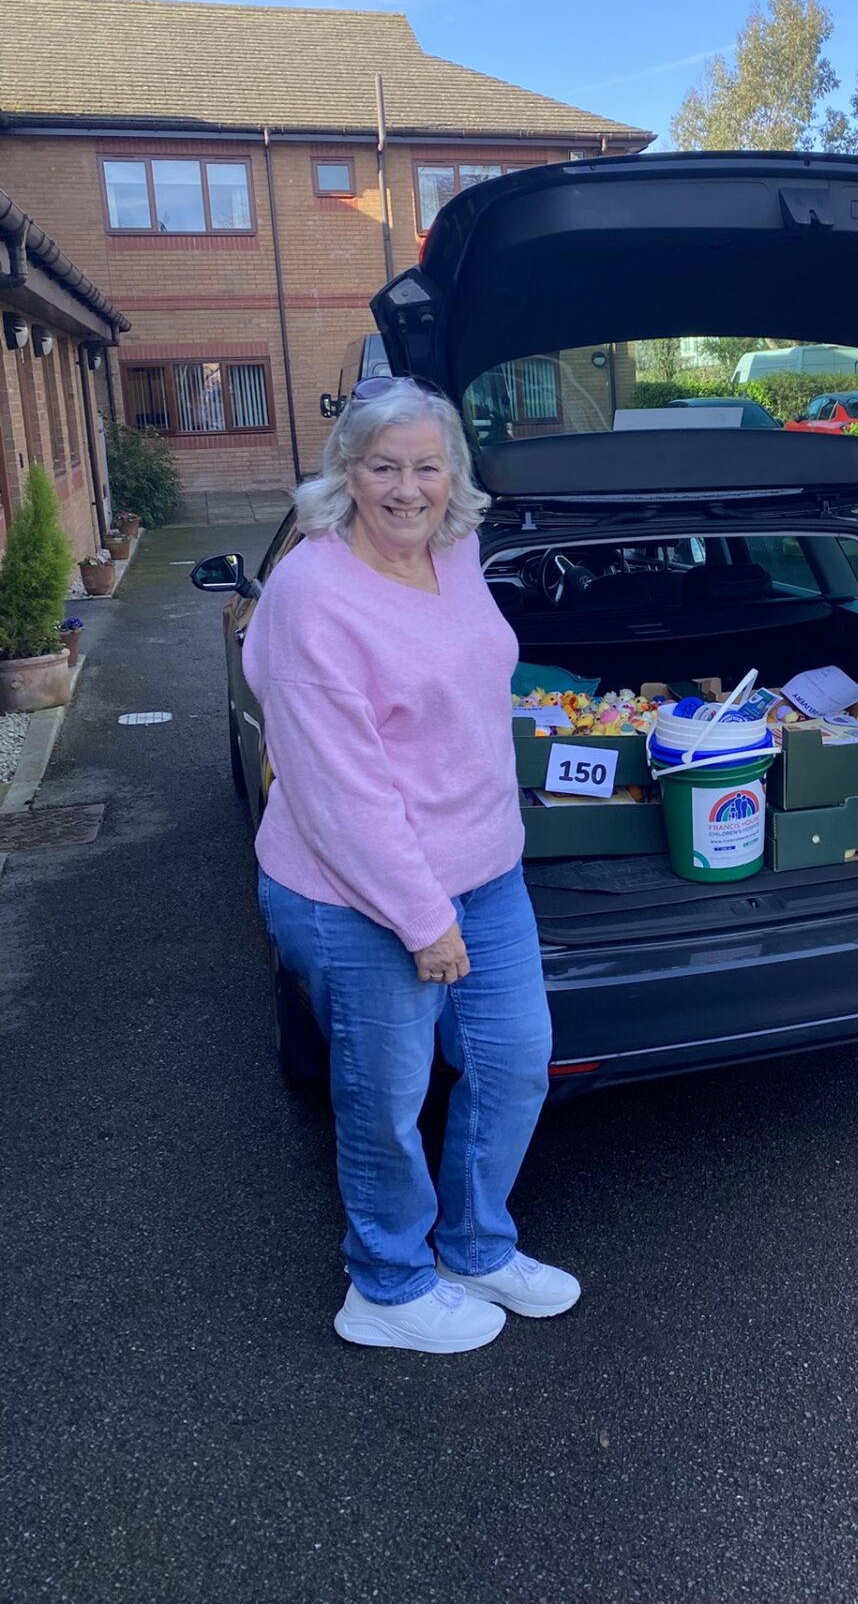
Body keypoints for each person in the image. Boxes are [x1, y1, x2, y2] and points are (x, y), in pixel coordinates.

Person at [245, 376, 578, 1350]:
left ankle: (475, 1247)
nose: (406, 488)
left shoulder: (458, 546)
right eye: (384, 466)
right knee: (384, 1099)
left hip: (485, 869)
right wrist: (423, 919)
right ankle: (385, 1284)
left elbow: (469, 692)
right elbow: (337, 791)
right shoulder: (315, 592)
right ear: (347, 470)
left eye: (427, 466)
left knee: (515, 1064)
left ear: (452, 475)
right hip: (358, 893)